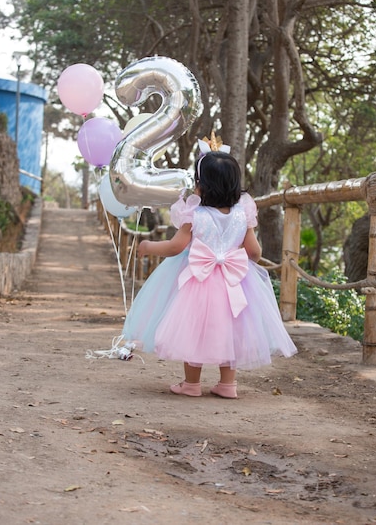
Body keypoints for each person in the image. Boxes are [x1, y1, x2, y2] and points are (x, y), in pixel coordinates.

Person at [122, 140, 297, 398]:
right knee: (233, 329)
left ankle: (191, 384)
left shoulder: (194, 212)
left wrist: (149, 246)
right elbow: (255, 252)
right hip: (235, 281)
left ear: (201, 184)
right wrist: (240, 260)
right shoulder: (242, 213)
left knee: (194, 329)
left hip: (199, 280)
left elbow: (175, 246)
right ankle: (228, 384)